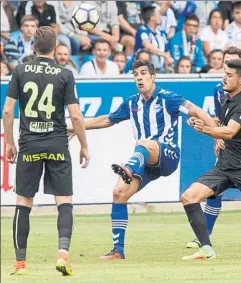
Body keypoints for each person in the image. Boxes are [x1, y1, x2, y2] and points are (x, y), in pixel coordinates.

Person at [68, 60, 217, 260]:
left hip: (167, 155)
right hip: (145, 160)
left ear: (153, 77)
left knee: (145, 143)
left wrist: (217, 135)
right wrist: (77, 127)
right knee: (119, 192)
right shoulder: (132, 103)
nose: (139, 77)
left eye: (143, 73)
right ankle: (118, 250)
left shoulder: (168, 98)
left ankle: (129, 168)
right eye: (136, 74)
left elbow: (199, 112)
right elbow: (106, 119)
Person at [3, 26, 90, 276]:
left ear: (33, 46)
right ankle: (63, 253)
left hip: (30, 144)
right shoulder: (65, 74)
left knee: (23, 202)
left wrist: (10, 142)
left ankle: (20, 263)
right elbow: (75, 115)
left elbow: (8, 111)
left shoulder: (20, 71)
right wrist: (84, 146)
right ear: (55, 48)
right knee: (64, 201)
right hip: (57, 144)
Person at [181, 59, 241, 260]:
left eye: (229, 75)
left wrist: (204, 129)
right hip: (224, 166)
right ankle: (207, 249)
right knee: (189, 197)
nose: (223, 77)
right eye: (224, 73)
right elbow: (221, 123)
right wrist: (201, 121)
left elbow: (229, 131)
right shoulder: (227, 99)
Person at [134, 5, 173, 73]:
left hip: (161, 70)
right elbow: (147, 46)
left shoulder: (161, 33)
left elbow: (167, 51)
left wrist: (168, 60)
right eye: (158, 15)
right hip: (144, 70)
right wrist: (164, 55)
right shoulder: (142, 30)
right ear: (152, 18)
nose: (160, 17)